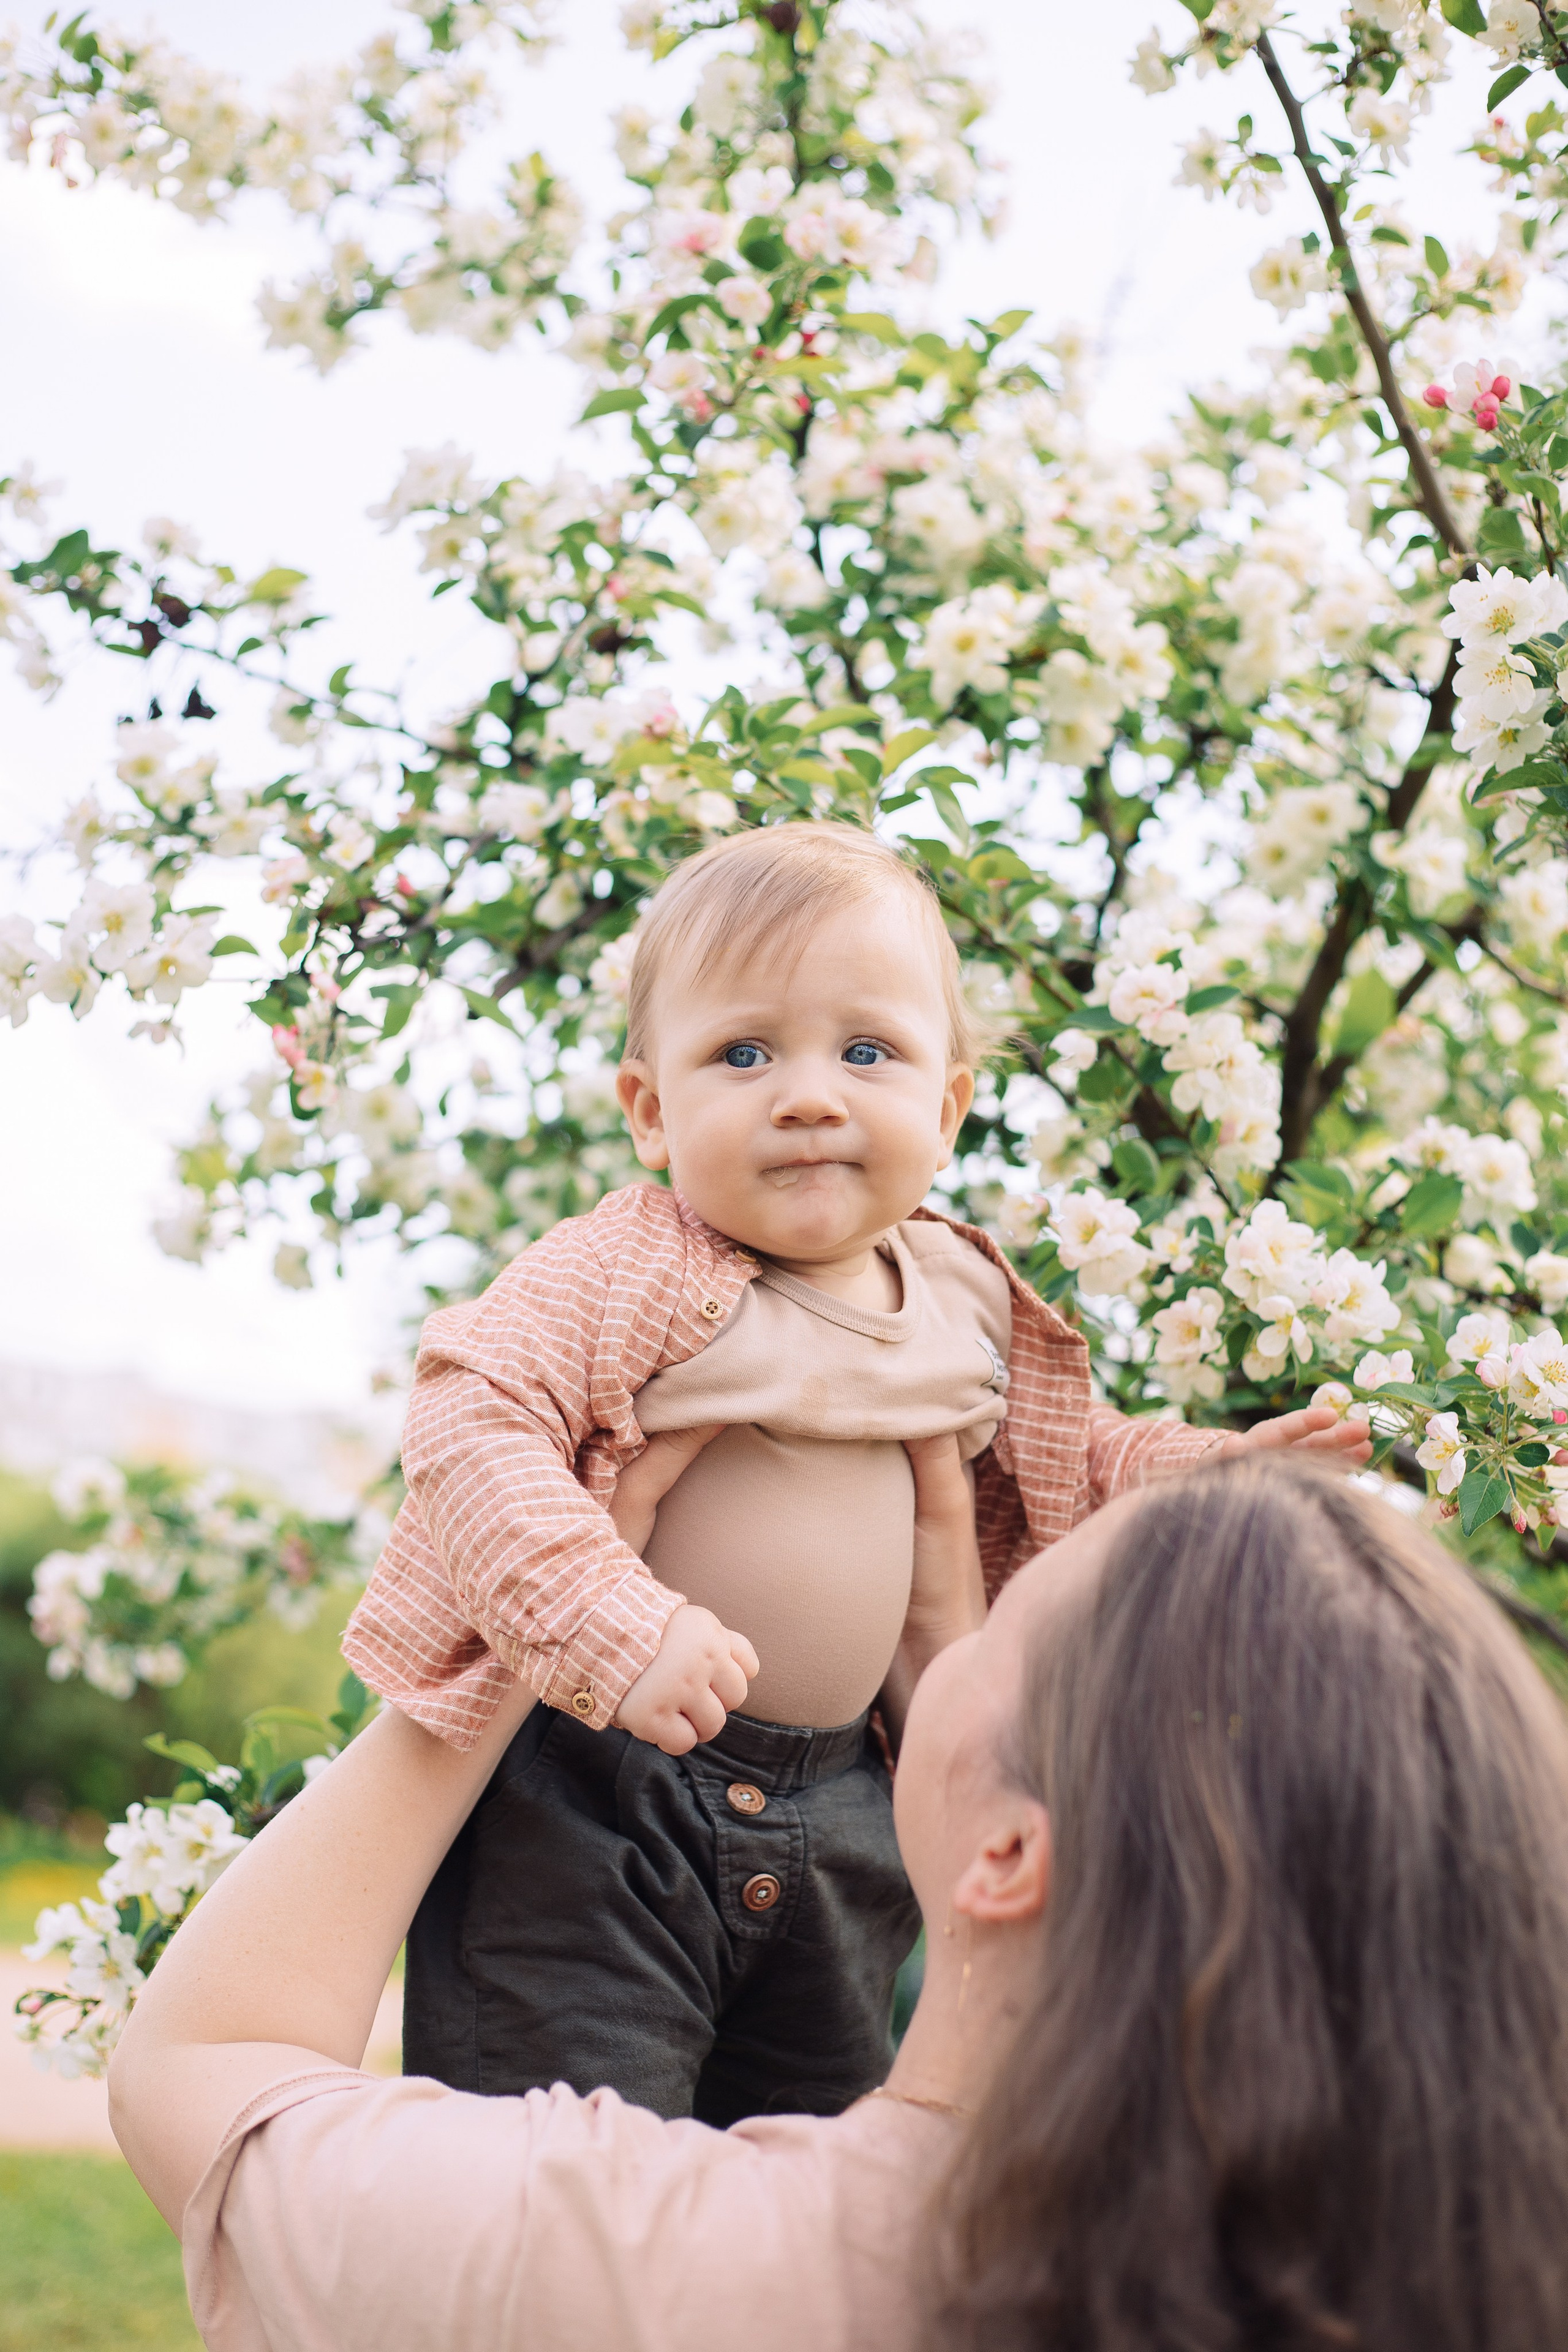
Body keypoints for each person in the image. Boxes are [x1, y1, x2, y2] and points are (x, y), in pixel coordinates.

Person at [339, 819, 1368, 2119]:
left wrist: (1218, 1473)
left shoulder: (957, 1295)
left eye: (865, 1051)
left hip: (846, 1818)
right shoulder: (624, 1268)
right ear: (651, 1113)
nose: (810, 1093)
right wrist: (613, 1628)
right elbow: (470, 1421)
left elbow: (1069, 1464)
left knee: (812, 2158)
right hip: (599, 1801)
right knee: (573, 2160)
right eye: (743, 1053)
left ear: (945, 1104)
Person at [109, 1452, 1568, 2352]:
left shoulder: (654, 2276)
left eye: (1018, 1609)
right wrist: (970, 1693)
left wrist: (517, 1632)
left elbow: (203, 2071)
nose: (966, 1619)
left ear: (1008, 1861)